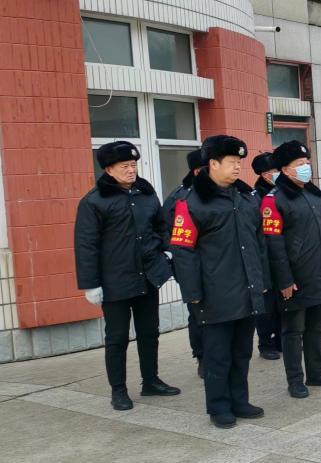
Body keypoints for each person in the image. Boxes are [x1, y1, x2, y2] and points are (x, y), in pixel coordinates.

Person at [170, 135, 269, 429]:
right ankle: (219, 406)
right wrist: (193, 292)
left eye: (239, 162)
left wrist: (262, 280)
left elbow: (259, 243)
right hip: (214, 293)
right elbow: (183, 251)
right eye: (231, 162)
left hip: (247, 289)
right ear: (213, 164)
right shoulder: (192, 202)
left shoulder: (246, 198)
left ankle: (240, 401)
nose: (238, 167)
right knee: (217, 355)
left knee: (242, 352)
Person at [74, 140, 180, 411]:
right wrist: (90, 284)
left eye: (133, 165)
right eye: (125, 166)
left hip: (148, 276)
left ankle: (151, 381)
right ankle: (118, 390)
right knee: (117, 338)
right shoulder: (94, 201)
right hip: (115, 282)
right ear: (108, 169)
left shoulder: (146, 193)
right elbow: (86, 245)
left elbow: (161, 226)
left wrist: (166, 252)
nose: (131, 170)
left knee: (149, 332)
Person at [264, 140, 321, 398]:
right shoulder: (274, 200)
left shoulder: (316, 195)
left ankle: (316, 372)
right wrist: (285, 280)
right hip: (296, 278)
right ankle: (295, 379)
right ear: (285, 169)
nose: (306, 167)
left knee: (316, 327)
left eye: (307, 162)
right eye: (300, 164)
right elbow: (273, 244)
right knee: (293, 331)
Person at [161, 148, 207, 376]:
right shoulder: (179, 198)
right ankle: (202, 357)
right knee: (198, 315)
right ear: (198, 171)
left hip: (218, 267)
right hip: (191, 267)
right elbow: (168, 234)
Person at [251, 152, 283, 360]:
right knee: (266, 305)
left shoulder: (281, 193)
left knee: (282, 303)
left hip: (281, 256)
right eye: (275, 171)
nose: (278, 173)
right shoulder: (255, 197)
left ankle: (280, 339)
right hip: (264, 257)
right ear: (264, 174)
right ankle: (266, 343)